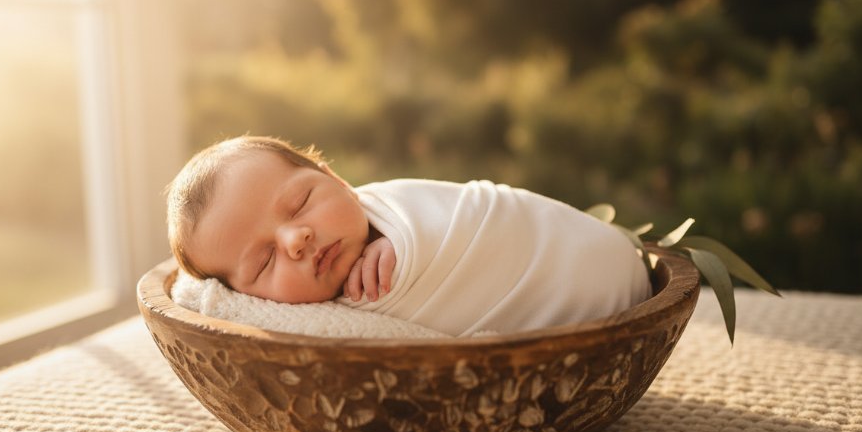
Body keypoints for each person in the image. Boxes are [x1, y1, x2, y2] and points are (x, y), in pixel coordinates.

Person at [167, 135, 651, 337]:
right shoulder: (297, 329)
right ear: (245, 297)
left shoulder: (401, 206)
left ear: (336, 179)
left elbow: (477, 215)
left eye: (300, 203)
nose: (296, 239)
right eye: (264, 262)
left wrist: (400, 242)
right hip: (591, 319)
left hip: (598, 262)